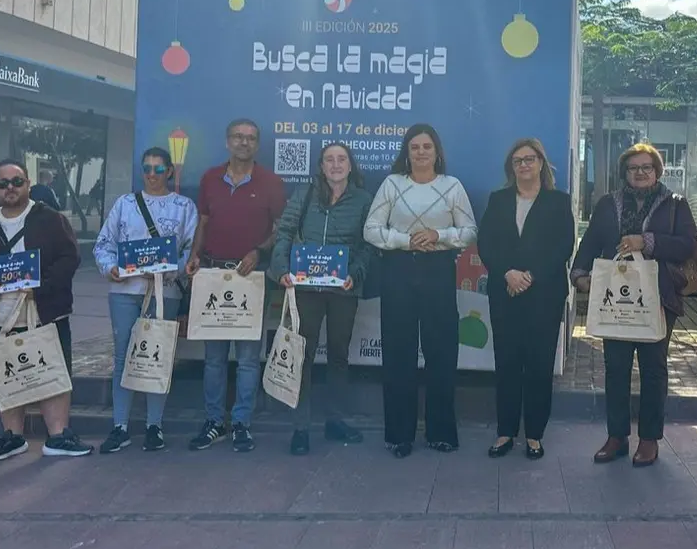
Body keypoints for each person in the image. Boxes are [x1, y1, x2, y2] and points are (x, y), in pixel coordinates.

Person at [0, 159, 92, 461]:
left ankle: (58, 436)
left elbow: (70, 258)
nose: (10, 189)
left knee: (52, 371)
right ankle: (12, 436)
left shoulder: (50, 219)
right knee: (6, 377)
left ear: (28, 184)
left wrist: (42, 284)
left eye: (17, 182)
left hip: (43, 312)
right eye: (3, 184)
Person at [571, 143, 697, 468]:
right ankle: (616, 437)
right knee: (615, 368)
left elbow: (689, 246)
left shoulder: (675, 205)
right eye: (633, 168)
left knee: (653, 370)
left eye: (647, 167)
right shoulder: (607, 204)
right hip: (615, 300)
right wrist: (580, 273)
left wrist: (648, 242)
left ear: (657, 171)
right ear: (624, 172)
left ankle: (649, 439)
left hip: (658, 299)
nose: (640, 172)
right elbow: (591, 243)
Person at [364, 124, 478, 458]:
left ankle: (441, 431)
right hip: (397, 270)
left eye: (427, 146)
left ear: (437, 151)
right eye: (415, 147)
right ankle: (399, 435)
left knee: (441, 352)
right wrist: (404, 240)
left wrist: (438, 236)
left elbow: (469, 230)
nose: (421, 152)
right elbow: (371, 229)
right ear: (406, 152)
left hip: (438, 271)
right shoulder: (392, 184)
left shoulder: (452, 186)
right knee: (398, 353)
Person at [184, 119, 288, 453]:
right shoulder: (210, 178)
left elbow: (280, 229)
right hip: (213, 275)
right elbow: (203, 221)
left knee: (247, 358)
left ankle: (242, 422)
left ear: (257, 145)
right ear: (227, 142)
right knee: (213, 359)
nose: (244, 143)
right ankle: (214, 421)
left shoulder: (271, 182)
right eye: (238, 137)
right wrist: (194, 255)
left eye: (251, 138)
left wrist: (260, 252)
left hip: (251, 278)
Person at [92, 147, 199, 453]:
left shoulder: (183, 206)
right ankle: (120, 426)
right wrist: (111, 269)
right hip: (125, 293)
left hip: (165, 292)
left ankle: (155, 425)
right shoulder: (125, 204)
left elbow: (191, 252)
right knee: (123, 357)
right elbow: (104, 244)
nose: (152, 175)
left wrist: (171, 270)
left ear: (169, 172)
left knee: (158, 357)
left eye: (158, 169)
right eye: (147, 169)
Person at [269, 143, 374, 455]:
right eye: (330, 159)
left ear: (351, 165)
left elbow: (368, 246)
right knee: (302, 355)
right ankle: (301, 428)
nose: (336, 164)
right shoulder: (304, 194)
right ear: (321, 165)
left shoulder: (364, 200)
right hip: (306, 290)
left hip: (343, 290)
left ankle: (335, 422)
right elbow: (284, 232)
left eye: (342, 159)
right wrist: (281, 269)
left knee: (339, 357)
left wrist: (356, 272)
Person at [478, 138, 575, 460]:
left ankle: (534, 435)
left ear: (541, 164)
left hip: (543, 294)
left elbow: (563, 246)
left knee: (538, 365)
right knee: (506, 364)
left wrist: (530, 275)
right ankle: (505, 432)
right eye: (517, 160)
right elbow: (487, 244)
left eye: (529, 159)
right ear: (511, 167)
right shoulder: (498, 200)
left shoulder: (558, 202)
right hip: (505, 292)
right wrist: (507, 272)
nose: (524, 165)